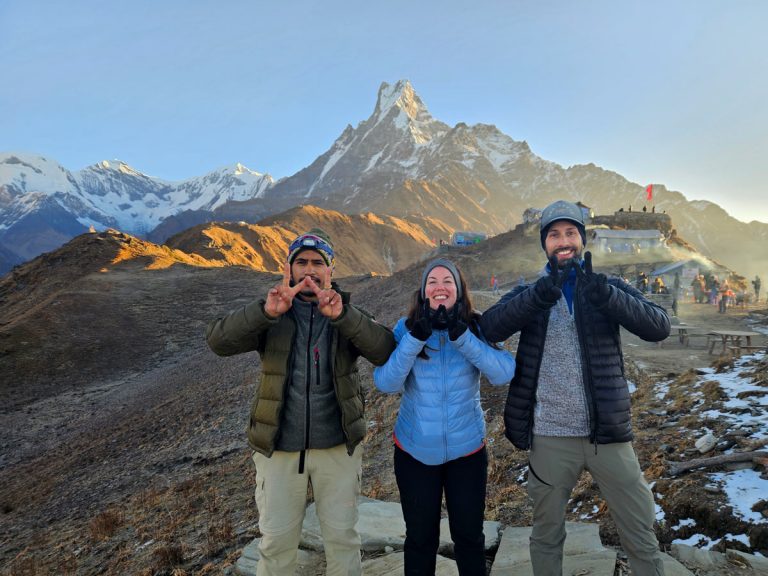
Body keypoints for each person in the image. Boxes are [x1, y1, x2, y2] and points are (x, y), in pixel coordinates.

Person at [478, 200, 670, 576]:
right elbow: (489, 328)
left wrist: (606, 297)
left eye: (570, 233)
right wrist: (540, 295)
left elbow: (658, 326)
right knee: (547, 535)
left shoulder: (607, 286)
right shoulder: (529, 292)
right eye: (554, 234)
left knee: (639, 533)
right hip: (550, 435)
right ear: (544, 244)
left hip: (609, 437)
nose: (562, 241)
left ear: (581, 239)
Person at [206, 228, 395, 576]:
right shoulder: (272, 312)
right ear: (289, 269)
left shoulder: (347, 312)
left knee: (343, 541)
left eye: (318, 263)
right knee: (276, 544)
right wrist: (266, 310)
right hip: (279, 450)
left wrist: (344, 317)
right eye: (301, 262)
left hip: (337, 449)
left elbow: (384, 350)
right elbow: (219, 341)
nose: (309, 270)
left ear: (330, 271)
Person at [373, 258, 516, 575]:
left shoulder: (478, 325)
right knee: (421, 539)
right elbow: (386, 382)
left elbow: (503, 373)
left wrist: (463, 337)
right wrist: (415, 338)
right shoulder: (405, 327)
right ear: (423, 292)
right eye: (432, 281)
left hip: (467, 452)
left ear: (459, 289)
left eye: (447, 281)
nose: (440, 287)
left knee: (468, 537)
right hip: (414, 453)